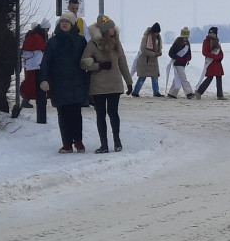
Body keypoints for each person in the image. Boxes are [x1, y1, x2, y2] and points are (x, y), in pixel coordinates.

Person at [39, 12, 89, 153]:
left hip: (76, 82)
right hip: (59, 83)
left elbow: (87, 58)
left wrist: (89, 63)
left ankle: (78, 141)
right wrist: (43, 79)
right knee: (63, 114)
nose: (64, 23)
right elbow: (46, 62)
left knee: (76, 113)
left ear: (73, 24)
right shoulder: (53, 42)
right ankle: (67, 143)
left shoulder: (80, 41)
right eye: (62, 21)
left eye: (67, 21)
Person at [82, 16, 133, 153]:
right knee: (100, 114)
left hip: (114, 84)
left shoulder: (116, 43)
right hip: (98, 85)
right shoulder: (92, 44)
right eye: (110, 27)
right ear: (104, 30)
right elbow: (83, 63)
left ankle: (117, 141)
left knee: (113, 112)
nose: (113, 29)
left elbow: (122, 63)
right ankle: (104, 144)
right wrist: (99, 66)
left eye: (113, 27)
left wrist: (129, 82)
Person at [16, 19, 50, 122]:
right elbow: (40, 51)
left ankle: (26, 100)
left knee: (31, 84)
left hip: (31, 65)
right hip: (36, 66)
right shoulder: (37, 37)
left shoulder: (32, 36)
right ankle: (28, 101)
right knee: (35, 85)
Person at [132, 22, 164, 97]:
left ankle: (156, 92)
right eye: (156, 32)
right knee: (142, 77)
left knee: (155, 76)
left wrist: (159, 53)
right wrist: (154, 54)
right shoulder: (146, 37)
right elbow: (143, 49)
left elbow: (159, 47)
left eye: (158, 32)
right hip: (144, 60)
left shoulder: (158, 38)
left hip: (154, 61)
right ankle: (135, 92)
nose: (157, 34)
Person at [196, 26, 226, 100]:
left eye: (213, 33)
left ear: (215, 34)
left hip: (217, 63)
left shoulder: (217, 41)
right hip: (210, 63)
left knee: (219, 78)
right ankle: (199, 92)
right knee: (209, 77)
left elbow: (220, 52)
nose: (211, 34)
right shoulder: (206, 41)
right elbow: (205, 52)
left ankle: (220, 95)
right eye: (210, 33)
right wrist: (214, 56)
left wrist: (220, 57)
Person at [167, 27, 195, 99]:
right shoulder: (177, 43)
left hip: (183, 64)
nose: (186, 38)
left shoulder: (187, 43)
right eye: (184, 37)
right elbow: (171, 53)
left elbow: (189, 53)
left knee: (177, 78)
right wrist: (178, 58)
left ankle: (172, 94)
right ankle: (189, 93)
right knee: (183, 78)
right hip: (177, 63)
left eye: (187, 37)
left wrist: (188, 58)